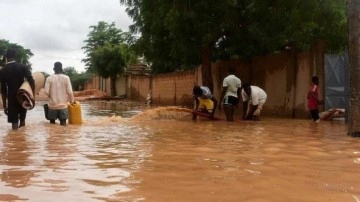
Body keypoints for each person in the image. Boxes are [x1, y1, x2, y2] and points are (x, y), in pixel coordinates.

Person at [0, 48, 35, 130]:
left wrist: (5, 105)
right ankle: (22, 140)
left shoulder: (3, 70)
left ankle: (14, 139)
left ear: (6, 57)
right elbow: (31, 81)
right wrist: (32, 96)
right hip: (23, 96)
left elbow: (3, 89)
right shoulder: (23, 67)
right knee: (22, 120)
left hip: (11, 99)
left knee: (14, 123)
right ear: (14, 56)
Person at [44, 62, 75, 126]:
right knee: (63, 125)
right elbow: (70, 92)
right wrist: (72, 101)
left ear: (53, 69)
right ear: (62, 69)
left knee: (52, 126)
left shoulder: (49, 78)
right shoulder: (66, 78)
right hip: (63, 106)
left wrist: (51, 97)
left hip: (52, 106)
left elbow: (46, 91)